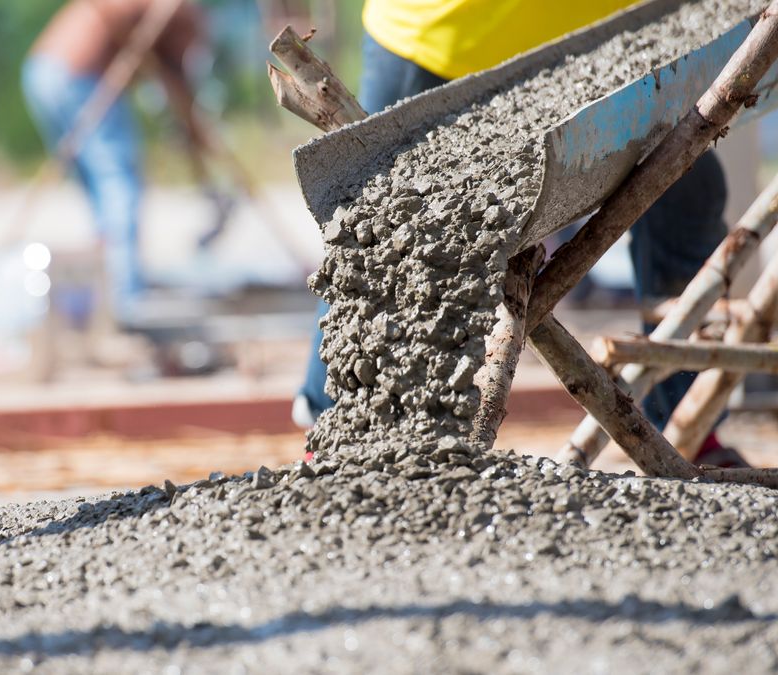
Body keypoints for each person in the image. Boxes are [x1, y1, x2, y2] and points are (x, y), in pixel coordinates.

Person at [292, 0, 747, 467]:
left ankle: (691, 426)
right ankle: (335, 436)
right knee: (383, 232)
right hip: (441, 41)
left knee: (688, 196)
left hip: (610, 46)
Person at [22, 0, 204, 325]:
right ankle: (125, 298)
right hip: (77, 74)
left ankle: (106, 287)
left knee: (99, 191)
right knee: (119, 180)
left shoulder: (164, 15)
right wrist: (195, 133)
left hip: (42, 71)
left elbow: (172, 79)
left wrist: (193, 134)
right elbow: (177, 78)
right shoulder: (178, 14)